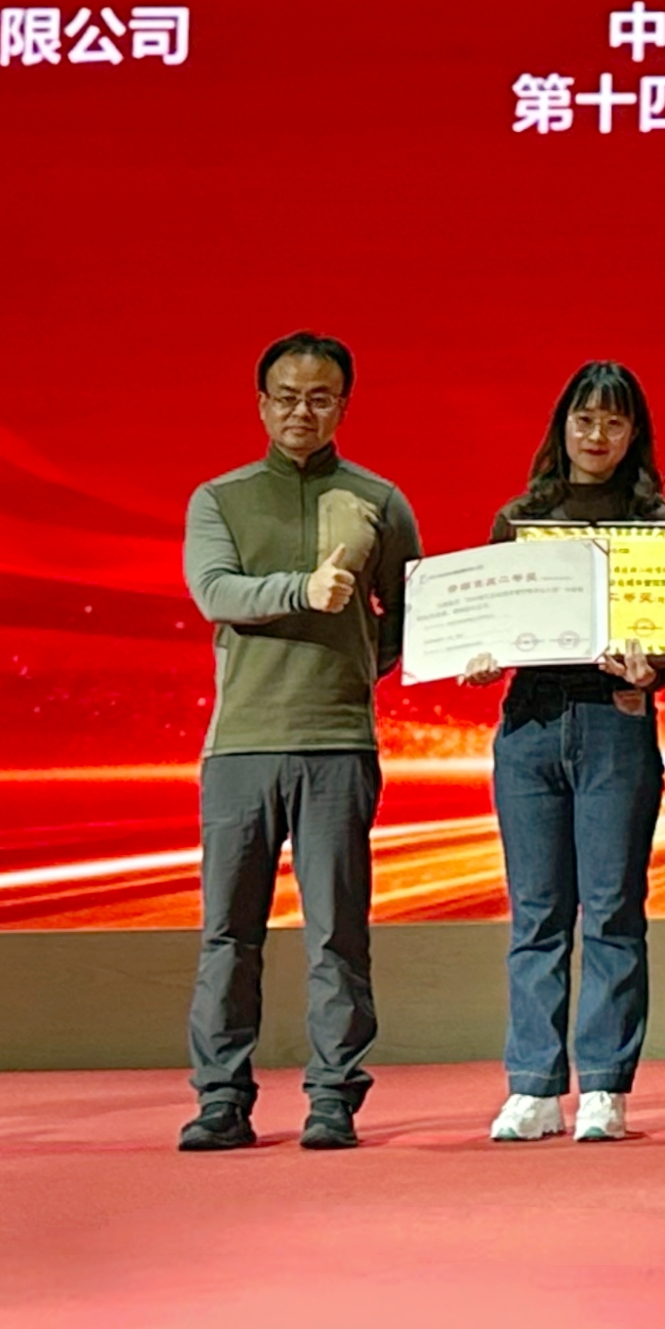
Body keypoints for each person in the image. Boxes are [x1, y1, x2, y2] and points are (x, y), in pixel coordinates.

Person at [178, 330, 422, 1152]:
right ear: (261, 403)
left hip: (338, 743)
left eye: (319, 398)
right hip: (240, 747)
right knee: (228, 934)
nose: (301, 412)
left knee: (337, 932)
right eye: (286, 397)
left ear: (343, 405)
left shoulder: (380, 499)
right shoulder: (220, 498)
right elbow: (216, 591)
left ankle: (333, 1098)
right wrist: (304, 590)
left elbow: (410, 614)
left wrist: (356, 669)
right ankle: (221, 1099)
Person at [459, 361, 665, 1147]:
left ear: (633, 433)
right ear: (562, 426)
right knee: (537, 912)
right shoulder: (522, 518)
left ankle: (605, 1087)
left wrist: (651, 669)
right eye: (584, 419)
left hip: (616, 723)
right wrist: (478, 653)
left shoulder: (658, 524)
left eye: (614, 421)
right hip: (530, 725)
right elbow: (486, 620)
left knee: (613, 908)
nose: (597, 435)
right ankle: (533, 1086)